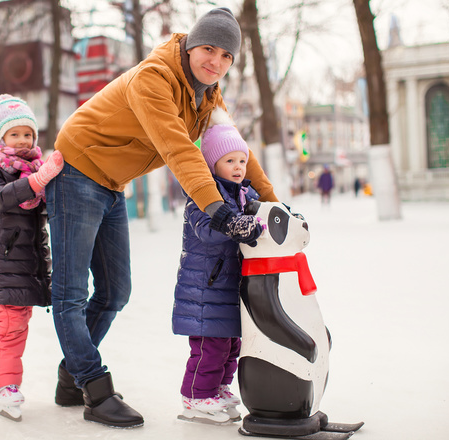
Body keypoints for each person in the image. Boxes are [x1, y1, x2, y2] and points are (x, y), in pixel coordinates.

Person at [46, 7, 279, 428]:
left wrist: (272, 204)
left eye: (227, 56)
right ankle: (94, 388)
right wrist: (218, 211)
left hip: (112, 183)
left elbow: (235, 148)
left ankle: (71, 375)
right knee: (70, 294)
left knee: (115, 291)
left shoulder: (208, 93)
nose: (217, 62)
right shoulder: (153, 78)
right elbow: (179, 149)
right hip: (76, 172)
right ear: (191, 45)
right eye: (209, 49)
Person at [0, 94, 64, 422]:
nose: (24, 140)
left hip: (27, 262)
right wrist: (38, 181)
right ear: (0, 138)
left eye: (28, 133)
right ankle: (5, 387)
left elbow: (40, 208)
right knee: (11, 323)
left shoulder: (34, 169)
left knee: (12, 320)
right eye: (15, 134)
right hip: (4, 261)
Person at [173, 109, 260, 425]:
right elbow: (208, 230)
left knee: (231, 344)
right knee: (210, 348)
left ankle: (218, 388)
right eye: (229, 161)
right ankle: (196, 397)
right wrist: (238, 225)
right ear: (213, 164)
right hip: (205, 286)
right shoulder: (202, 195)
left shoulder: (242, 194)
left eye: (241, 160)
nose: (238, 167)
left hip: (226, 285)